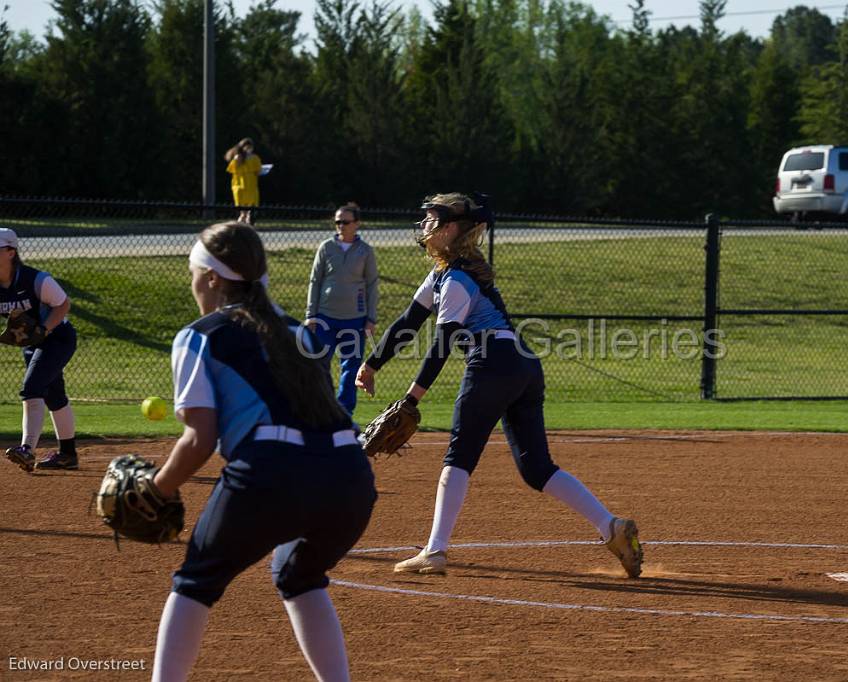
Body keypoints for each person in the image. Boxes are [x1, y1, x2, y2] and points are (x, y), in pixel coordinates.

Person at [355, 193, 643, 578]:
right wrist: (372, 364)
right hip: (523, 366)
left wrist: (412, 397)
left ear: (452, 229)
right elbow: (408, 322)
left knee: (459, 455)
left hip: (491, 363)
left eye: (431, 219)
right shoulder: (445, 274)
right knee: (536, 468)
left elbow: (442, 343)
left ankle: (435, 550)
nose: (423, 226)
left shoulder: (456, 279)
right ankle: (611, 527)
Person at [149, 222, 376, 682]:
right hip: (349, 477)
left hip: (270, 475)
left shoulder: (200, 335)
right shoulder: (301, 333)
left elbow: (199, 439)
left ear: (213, 277)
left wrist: (157, 489)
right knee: (300, 577)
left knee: (195, 583)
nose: (192, 281)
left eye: (193, 271)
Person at [0, 227, 80, 472]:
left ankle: (27, 450)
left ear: (11, 252)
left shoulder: (35, 279)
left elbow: (63, 304)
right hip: (32, 344)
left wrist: (44, 329)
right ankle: (68, 455)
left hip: (57, 338)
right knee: (54, 396)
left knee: (32, 388)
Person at [304, 203, 379, 414]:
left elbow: (372, 284)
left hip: (355, 319)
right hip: (325, 318)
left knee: (351, 367)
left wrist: (371, 318)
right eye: (337, 222)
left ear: (356, 224)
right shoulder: (326, 247)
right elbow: (314, 281)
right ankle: (321, 409)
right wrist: (311, 315)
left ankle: (344, 413)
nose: (340, 226)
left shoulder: (365, 251)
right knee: (319, 365)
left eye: (345, 222)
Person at [224, 138, 262, 224]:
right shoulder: (238, 158)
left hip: (251, 185)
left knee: (250, 206)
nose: (249, 149)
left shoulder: (255, 158)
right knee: (242, 209)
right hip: (239, 185)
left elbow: (258, 171)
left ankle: (248, 220)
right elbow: (231, 169)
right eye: (247, 147)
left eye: (250, 147)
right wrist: (236, 160)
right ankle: (242, 221)